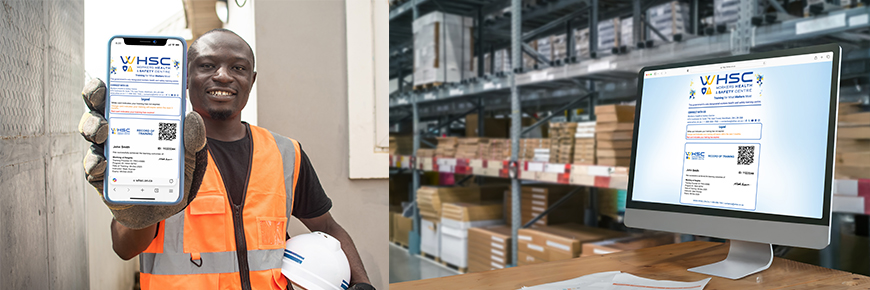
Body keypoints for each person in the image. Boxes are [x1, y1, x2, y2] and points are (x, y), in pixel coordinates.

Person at [78, 29, 375, 290]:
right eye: (207, 65)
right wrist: (136, 215)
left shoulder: (286, 153)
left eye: (238, 67)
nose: (223, 75)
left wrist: (361, 282)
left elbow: (328, 227)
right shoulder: (159, 151)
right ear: (184, 76)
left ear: (252, 79)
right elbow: (124, 248)